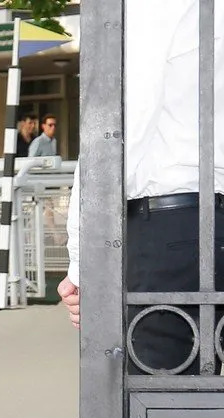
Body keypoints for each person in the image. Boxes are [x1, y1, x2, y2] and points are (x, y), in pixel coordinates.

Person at [58, 0, 223, 376]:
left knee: (162, 403)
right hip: (196, 215)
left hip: (175, 225)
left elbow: (116, 133)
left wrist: (83, 265)